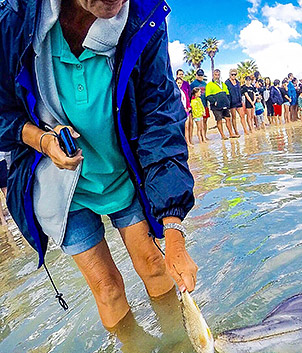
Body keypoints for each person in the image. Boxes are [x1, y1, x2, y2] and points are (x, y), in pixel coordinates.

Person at [0, 0, 197, 328]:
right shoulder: (13, 20)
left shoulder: (144, 18)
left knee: (153, 262)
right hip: (57, 186)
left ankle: (179, 349)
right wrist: (42, 140)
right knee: (106, 286)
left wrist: (174, 233)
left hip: (120, 174)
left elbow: (160, 119)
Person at [206, 69, 235, 140]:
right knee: (219, 120)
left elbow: (227, 93)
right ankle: (223, 135)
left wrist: (228, 102)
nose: (217, 76)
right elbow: (208, 96)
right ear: (213, 75)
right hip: (216, 107)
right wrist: (214, 102)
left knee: (228, 119)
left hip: (225, 105)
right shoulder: (209, 85)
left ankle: (231, 134)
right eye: (215, 75)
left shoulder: (223, 84)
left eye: (218, 75)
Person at [225, 69, 248, 136]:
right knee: (234, 117)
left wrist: (241, 100)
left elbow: (240, 91)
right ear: (230, 74)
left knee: (242, 116)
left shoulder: (238, 82)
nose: (233, 76)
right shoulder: (227, 82)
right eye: (232, 74)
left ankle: (245, 130)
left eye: (235, 74)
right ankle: (236, 131)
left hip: (239, 101)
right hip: (231, 102)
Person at [190, 69, 209, 141]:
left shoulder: (205, 83)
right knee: (198, 124)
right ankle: (200, 137)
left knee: (205, 121)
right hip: (196, 106)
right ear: (196, 75)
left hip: (204, 104)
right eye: (199, 75)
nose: (200, 77)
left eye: (201, 75)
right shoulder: (193, 84)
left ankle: (204, 135)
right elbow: (190, 94)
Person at [175, 69, 192, 145]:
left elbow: (187, 99)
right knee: (180, 127)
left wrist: (188, 107)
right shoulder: (174, 92)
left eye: (180, 83)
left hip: (186, 110)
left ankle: (188, 142)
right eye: (178, 83)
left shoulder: (184, 91)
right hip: (179, 111)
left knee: (187, 126)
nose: (179, 85)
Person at [0, 151, 7, 226]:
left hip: (1, 160)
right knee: (5, 189)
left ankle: (2, 219)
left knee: (5, 189)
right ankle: (14, 212)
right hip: (1, 160)